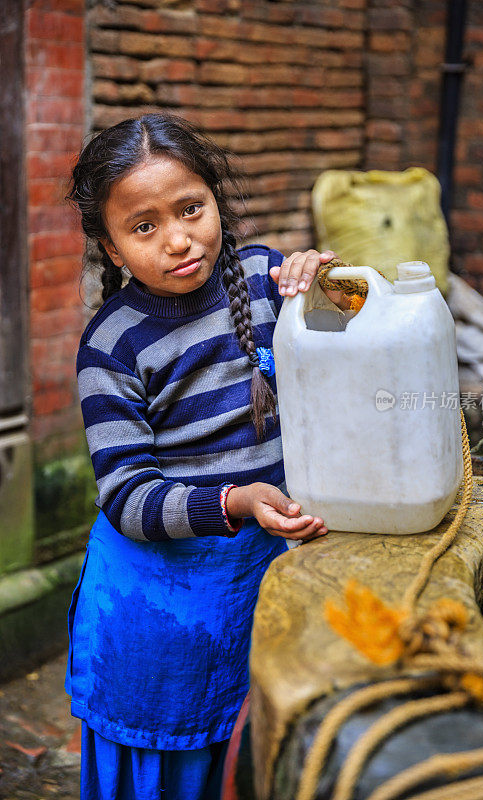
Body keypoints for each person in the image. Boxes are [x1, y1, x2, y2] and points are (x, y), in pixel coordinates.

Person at [65, 112, 340, 800]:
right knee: (172, 765)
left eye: (191, 208)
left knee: (256, 746)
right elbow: (127, 498)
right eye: (144, 226)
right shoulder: (112, 346)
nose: (179, 239)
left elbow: (348, 355)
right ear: (112, 247)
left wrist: (332, 288)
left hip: (258, 575)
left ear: (216, 199)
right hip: (156, 608)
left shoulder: (262, 278)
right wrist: (238, 501)